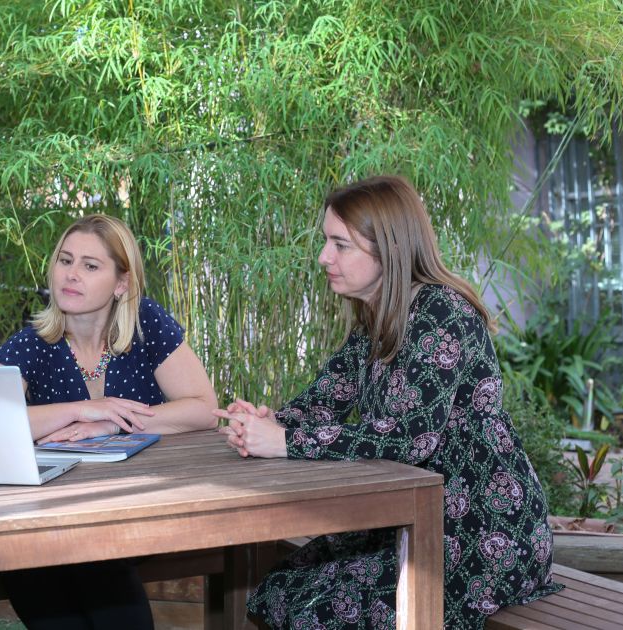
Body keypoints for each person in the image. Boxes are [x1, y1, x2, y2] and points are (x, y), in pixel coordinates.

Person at [215, 175, 561, 629]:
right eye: (326, 242)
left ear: (389, 249)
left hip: (483, 529)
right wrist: (271, 420)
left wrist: (284, 441)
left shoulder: (443, 313)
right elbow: (324, 401)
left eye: (340, 245)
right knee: (279, 591)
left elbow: (409, 437)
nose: (323, 257)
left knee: (315, 612)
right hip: (413, 518)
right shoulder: (376, 321)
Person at [0, 213, 218, 630]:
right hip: (50, 524)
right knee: (41, 565)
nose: (71, 275)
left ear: (122, 283)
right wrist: (80, 410)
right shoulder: (30, 346)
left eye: (89, 266)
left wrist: (115, 422)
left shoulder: (146, 324)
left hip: (140, 511)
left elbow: (204, 408)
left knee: (100, 563)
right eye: (65, 261)